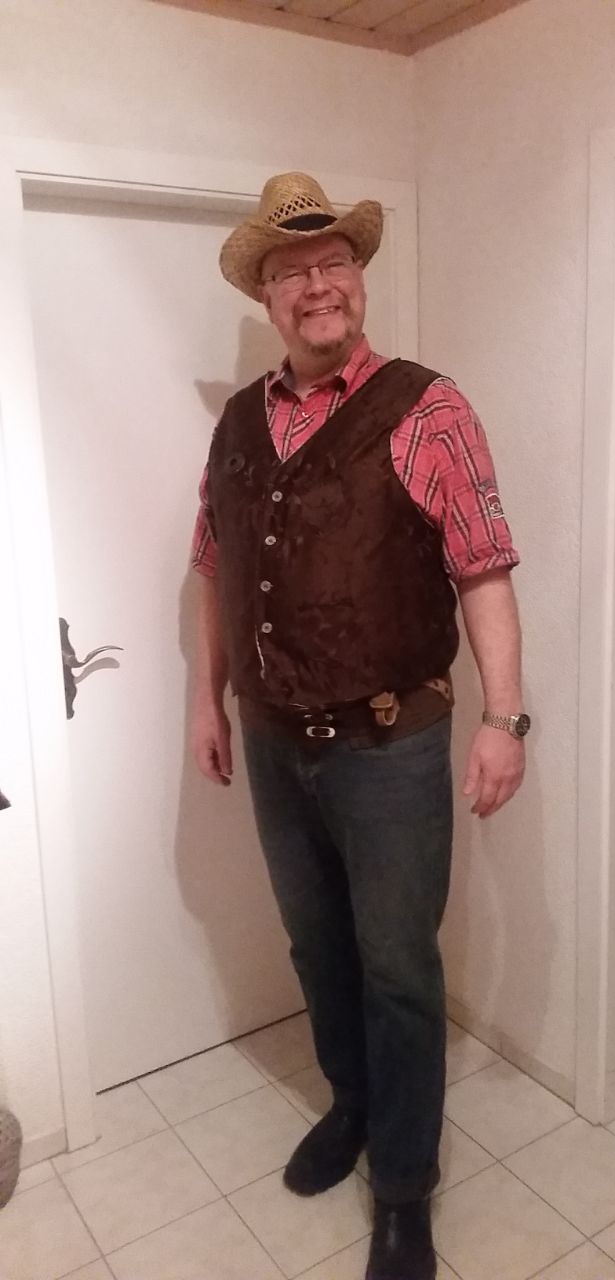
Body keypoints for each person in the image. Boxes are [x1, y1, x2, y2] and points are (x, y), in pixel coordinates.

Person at [190, 172, 529, 1280]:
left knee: (397, 968)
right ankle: (351, 1105)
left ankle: (404, 1186)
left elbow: (483, 568)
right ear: (269, 299)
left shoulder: (429, 408)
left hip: (392, 744)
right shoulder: (239, 422)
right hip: (274, 741)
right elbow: (214, 566)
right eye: (292, 272)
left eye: (332, 261)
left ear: (360, 277)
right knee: (318, 947)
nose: (316, 285)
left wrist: (506, 717)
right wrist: (205, 698)